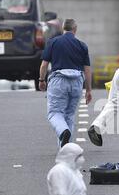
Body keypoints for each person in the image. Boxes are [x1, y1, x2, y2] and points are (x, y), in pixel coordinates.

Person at [39, 19, 92, 148]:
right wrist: (88, 90)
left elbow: (44, 65)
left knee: (55, 113)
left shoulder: (53, 42)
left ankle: (63, 132)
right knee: (69, 115)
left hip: (59, 81)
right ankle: (65, 148)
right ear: (75, 29)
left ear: (63, 29)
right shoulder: (82, 45)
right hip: (77, 82)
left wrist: (41, 80)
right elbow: (87, 70)